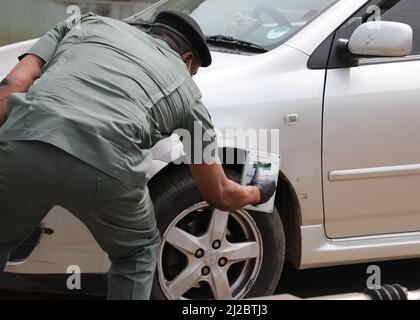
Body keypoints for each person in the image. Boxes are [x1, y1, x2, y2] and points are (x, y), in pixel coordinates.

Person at [0, 11, 276, 300]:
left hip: (22, 144)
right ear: (187, 60)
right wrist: (257, 191)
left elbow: (11, 88)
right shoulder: (189, 97)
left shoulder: (84, 24)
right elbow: (219, 193)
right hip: (107, 170)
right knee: (137, 254)